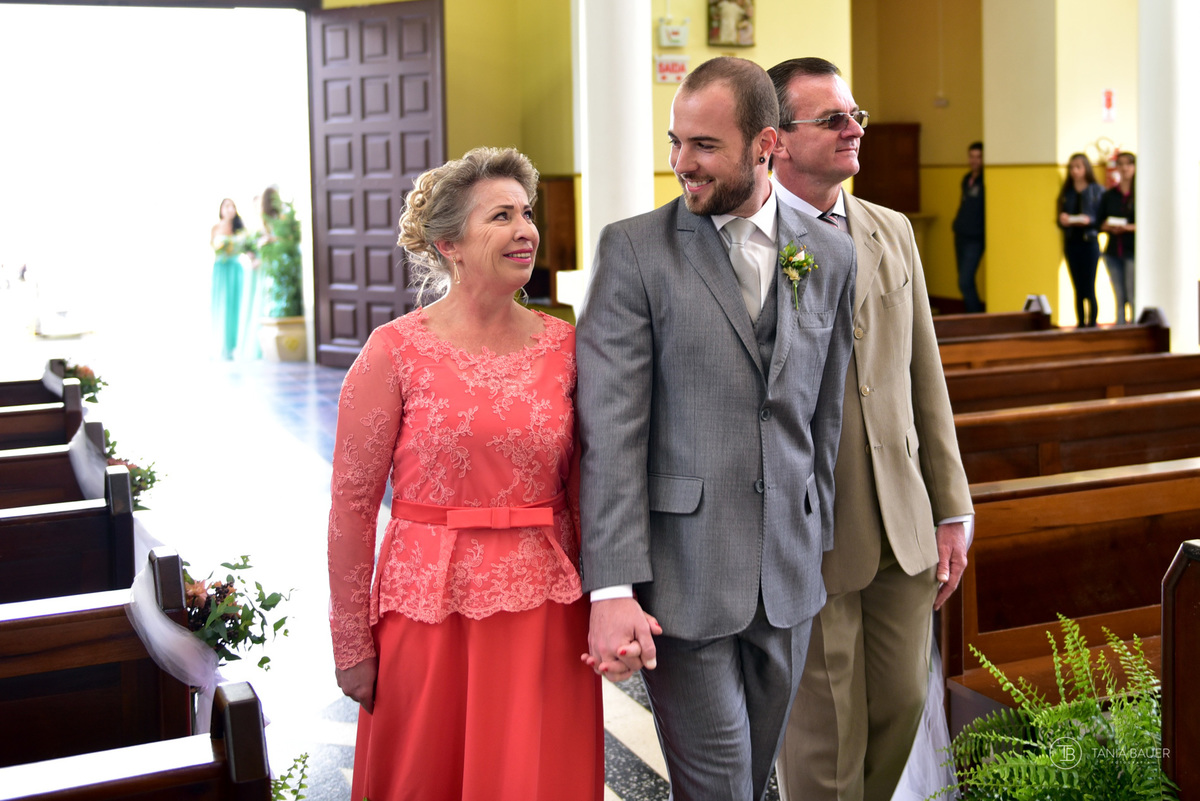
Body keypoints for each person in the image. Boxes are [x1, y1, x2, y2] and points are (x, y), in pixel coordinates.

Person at [576, 56, 857, 801]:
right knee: (722, 787)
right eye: (675, 142)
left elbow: (822, 412)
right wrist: (612, 585)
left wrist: (813, 530)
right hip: (684, 575)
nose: (681, 164)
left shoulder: (828, 251)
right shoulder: (635, 250)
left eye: (703, 145)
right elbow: (611, 428)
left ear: (767, 144)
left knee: (751, 776)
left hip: (788, 576)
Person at [327, 147, 604, 801]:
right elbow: (352, 506)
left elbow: (592, 493)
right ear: (448, 242)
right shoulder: (393, 351)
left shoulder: (567, 348)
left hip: (546, 614)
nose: (525, 229)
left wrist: (610, 602)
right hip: (427, 612)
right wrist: (350, 641)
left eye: (527, 213)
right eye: (501, 216)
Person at [766, 57, 973, 801]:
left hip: (903, 525)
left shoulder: (890, 230)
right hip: (805, 534)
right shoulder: (739, 243)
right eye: (833, 119)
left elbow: (925, 376)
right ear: (776, 139)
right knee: (822, 743)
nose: (855, 129)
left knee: (899, 709)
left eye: (855, 116)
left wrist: (951, 509)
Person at [1057, 152, 1104, 327]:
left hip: (1089, 242)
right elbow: (1060, 217)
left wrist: (1089, 220)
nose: (1074, 171)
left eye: (1078, 167)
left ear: (1086, 168)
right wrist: (1063, 220)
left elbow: (1099, 217)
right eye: (1071, 167)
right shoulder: (1067, 192)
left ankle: (1092, 322)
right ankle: (1080, 322)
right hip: (1072, 242)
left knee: (1089, 284)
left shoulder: (1096, 190)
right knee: (1077, 286)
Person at [1099, 152, 1137, 324]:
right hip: (1114, 250)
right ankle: (1120, 329)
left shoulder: (1141, 194)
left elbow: (1149, 224)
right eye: (1120, 164)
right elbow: (1099, 221)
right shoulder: (1110, 195)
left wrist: (1128, 228)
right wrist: (1108, 227)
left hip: (1133, 251)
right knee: (1119, 295)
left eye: (1128, 164)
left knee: (1133, 293)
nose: (1124, 168)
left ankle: (1136, 328)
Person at [210, 198, 247, 360]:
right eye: (227, 206)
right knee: (220, 304)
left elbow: (247, 247)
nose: (230, 209)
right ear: (221, 209)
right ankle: (220, 343)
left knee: (235, 305)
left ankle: (234, 345)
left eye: (232, 206)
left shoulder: (239, 229)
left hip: (235, 269)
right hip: (220, 269)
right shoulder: (215, 228)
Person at [952, 142, 985, 312]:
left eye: (978, 157)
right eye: (972, 157)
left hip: (975, 238)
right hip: (961, 234)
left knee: (965, 280)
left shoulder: (986, 181)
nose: (974, 161)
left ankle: (975, 317)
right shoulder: (967, 179)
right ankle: (971, 313)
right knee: (963, 281)